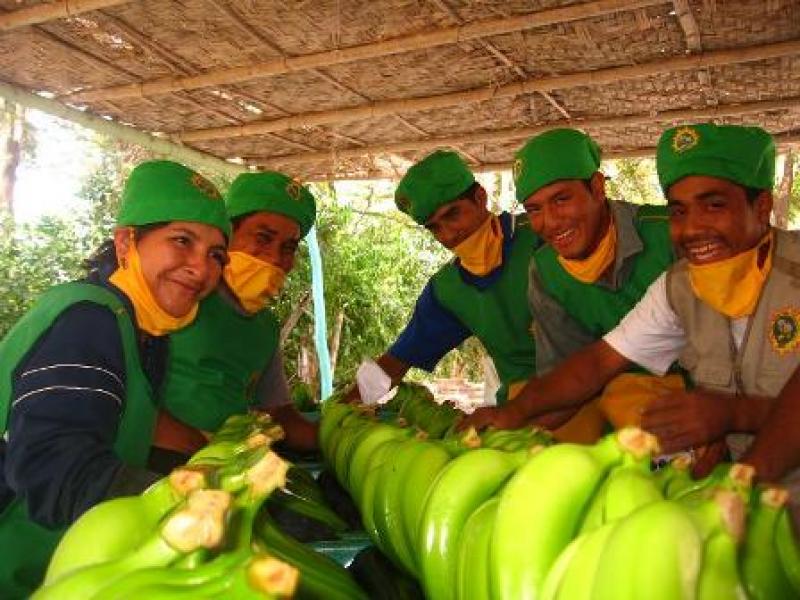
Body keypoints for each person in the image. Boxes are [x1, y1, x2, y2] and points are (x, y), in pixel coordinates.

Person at [461, 123, 798, 490]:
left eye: (714, 205)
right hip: (747, 491)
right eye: (680, 211)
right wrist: (510, 413)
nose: (692, 229)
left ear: (762, 206)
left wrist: (734, 417)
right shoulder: (679, 285)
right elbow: (596, 364)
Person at [0, 160, 230, 597]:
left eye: (216, 255)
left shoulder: (141, 331)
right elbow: (53, 469)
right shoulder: (88, 319)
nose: (200, 269)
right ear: (126, 242)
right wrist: (189, 504)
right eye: (182, 241)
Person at [515, 128, 680, 429]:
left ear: (597, 188)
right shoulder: (546, 271)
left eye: (561, 199)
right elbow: (566, 374)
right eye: (534, 209)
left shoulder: (671, 234)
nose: (549, 222)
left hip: (711, 400)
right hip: (618, 416)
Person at [353, 150, 541, 408]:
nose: (449, 234)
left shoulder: (543, 235)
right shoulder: (448, 291)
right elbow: (396, 362)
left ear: (480, 198)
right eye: (434, 227)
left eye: (453, 214)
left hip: (598, 389)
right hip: (523, 409)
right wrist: (339, 408)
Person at [155, 171, 319, 463]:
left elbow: (279, 414)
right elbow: (129, 398)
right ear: (226, 235)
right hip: (155, 461)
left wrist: (344, 437)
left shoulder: (265, 328)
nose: (273, 257)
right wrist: (202, 452)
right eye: (263, 238)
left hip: (228, 463)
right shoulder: (179, 296)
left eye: (288, 248)